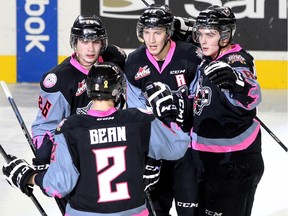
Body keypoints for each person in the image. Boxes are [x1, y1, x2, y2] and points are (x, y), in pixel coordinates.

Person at [2, 62, 191, 216]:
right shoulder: (139, 120)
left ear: (89, 89)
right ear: (119, 90)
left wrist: (28, 176)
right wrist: (169, 117)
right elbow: (177, 148)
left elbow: (58, 185)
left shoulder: (70, 128)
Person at [30, 14, 126, 212]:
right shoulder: (60, 80)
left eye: (96, 41)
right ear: (75, 43)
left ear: (103, 43)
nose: (90, 48)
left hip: (115, 151)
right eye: (84, 41)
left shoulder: (114, 60)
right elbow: (45, 126)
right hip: (79, 157)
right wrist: (44, 157)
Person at [124, 4, 201, 216]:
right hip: (155, 156)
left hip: (187, 153)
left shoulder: (191, 57)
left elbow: (201, 106)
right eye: (146, 33)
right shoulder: (134, 62)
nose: (151, 39)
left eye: (157, 32)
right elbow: (135, 114)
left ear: (168, 32)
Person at [190, 5, 264, 216]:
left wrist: (237, 83)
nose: (203, 40)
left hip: (233, 164)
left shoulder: (236, 60)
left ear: (224, 36)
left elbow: (252, 96)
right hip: (204, 160)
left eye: (210, 35)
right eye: (200, 34)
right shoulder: (207, 55)